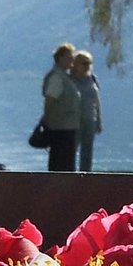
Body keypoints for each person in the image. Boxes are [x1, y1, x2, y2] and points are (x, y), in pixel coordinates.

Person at [40, 43, 82, 173]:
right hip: (60, 128)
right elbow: (50, 100)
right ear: (61, 58)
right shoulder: (57, 77)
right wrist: (47, 121)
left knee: (66, 163)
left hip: (67, 126)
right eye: (70, 57)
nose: (72, 61)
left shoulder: (64, 76)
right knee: (61, 163)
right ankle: (59, 188)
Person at [70, 51, 102, 173]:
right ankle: (70, 175)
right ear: (76, 64)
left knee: (88, 150)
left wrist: (99, 119)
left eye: (89, 63)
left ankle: (86, 174)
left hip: (90, 119)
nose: (87, 65)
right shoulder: (70, 80)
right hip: (74, 121)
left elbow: (97, 101)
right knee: (72, 149)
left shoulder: (92, 79)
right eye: (84, 63)